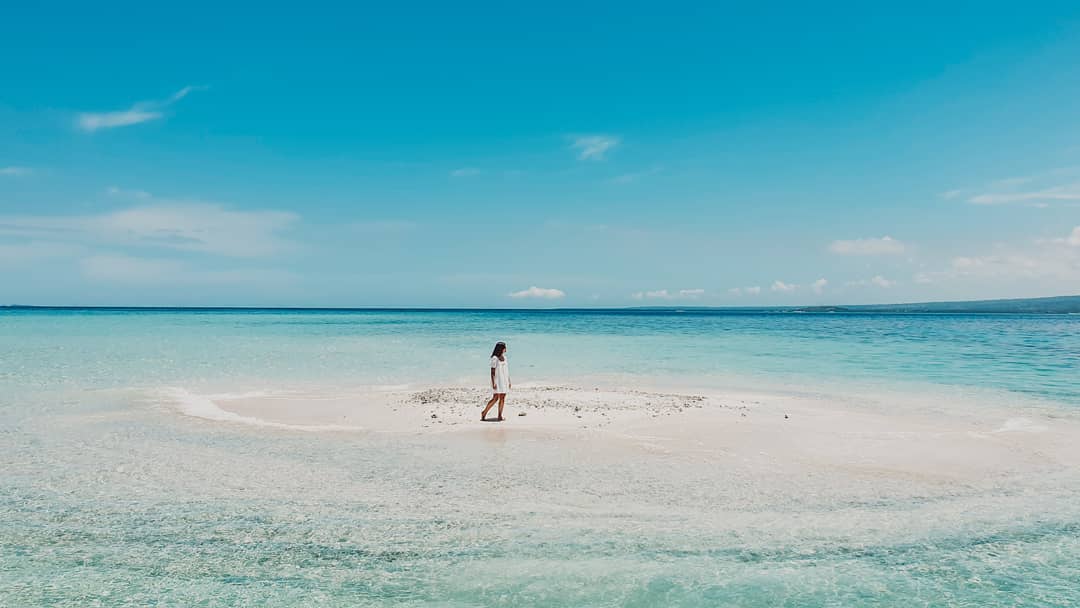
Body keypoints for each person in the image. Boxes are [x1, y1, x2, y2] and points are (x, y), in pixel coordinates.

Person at [481, 341, 511, 421]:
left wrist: (509, 380)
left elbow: (507, 370)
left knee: (503, 397)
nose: (506, 349)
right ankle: (484, 412)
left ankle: (499, 415)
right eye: (504, 347)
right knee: (495, 398)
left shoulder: (505, 358)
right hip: (497, 380)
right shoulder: (494, 358)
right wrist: (494, 382)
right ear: (501, 349)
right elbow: (492, 372)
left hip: (504, 380)